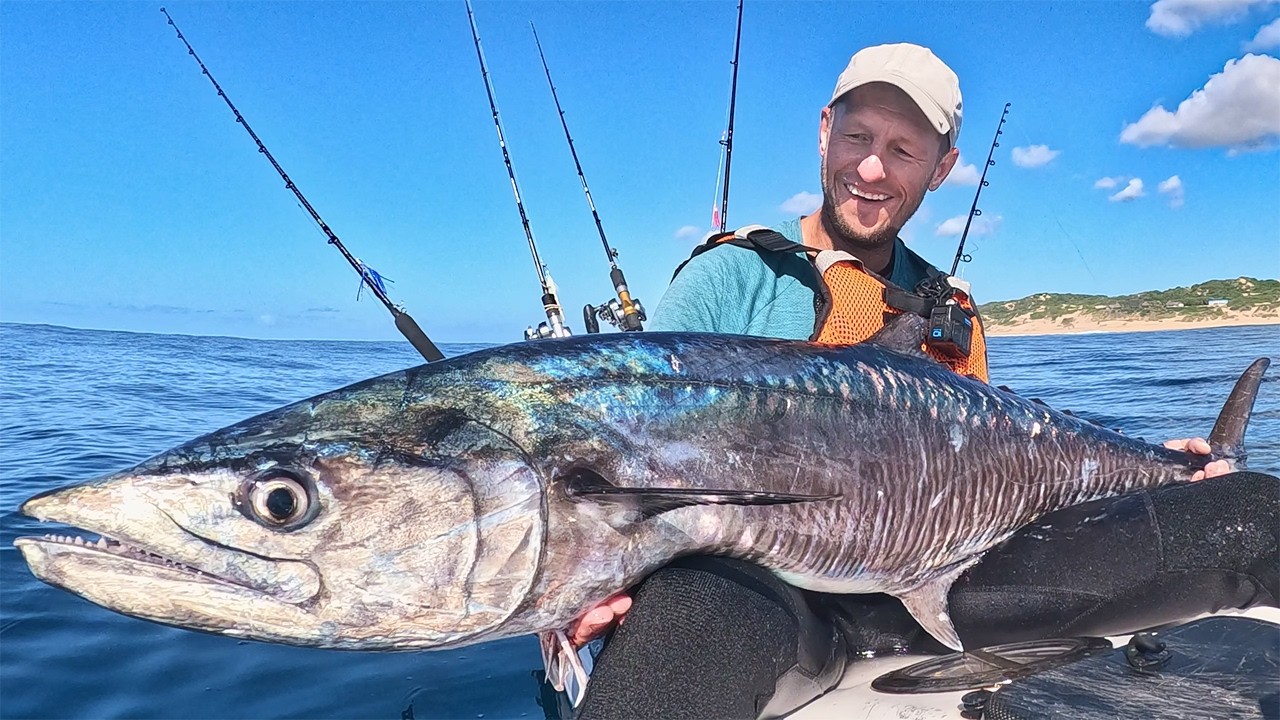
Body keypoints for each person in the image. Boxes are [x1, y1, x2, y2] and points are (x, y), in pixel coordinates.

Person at [563, 44, 1277, 719]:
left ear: (941, 168)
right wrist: (586, 577)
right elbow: (629, 448)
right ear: (824, 131)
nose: (872, 169)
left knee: (1252, 505)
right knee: (680, 625)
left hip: (959, 583)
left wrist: (1162, 472)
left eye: (903, 150)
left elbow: (1015, 471)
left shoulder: (951, 308)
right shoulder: (732, 277)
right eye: (858, 137)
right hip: (765, 596)